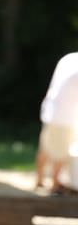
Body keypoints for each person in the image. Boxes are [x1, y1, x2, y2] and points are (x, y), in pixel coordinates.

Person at [36, 53, 78, 193]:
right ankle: (55, 184)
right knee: (61, 151)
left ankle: (40, 179)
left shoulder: (69, 58)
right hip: (65, 115)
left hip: (52, 109)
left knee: (46, 147)